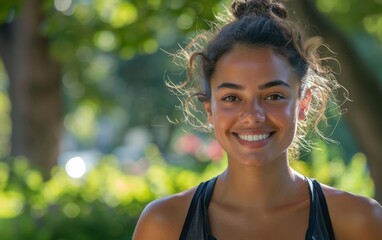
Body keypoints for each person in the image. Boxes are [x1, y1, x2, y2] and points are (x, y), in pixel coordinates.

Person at [133, 0, 382, 239]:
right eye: (232, 98)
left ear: (302, 104)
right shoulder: (165, 225)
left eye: (273, 96)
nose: (253, 115)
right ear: (210, 109)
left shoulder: (359, 221)